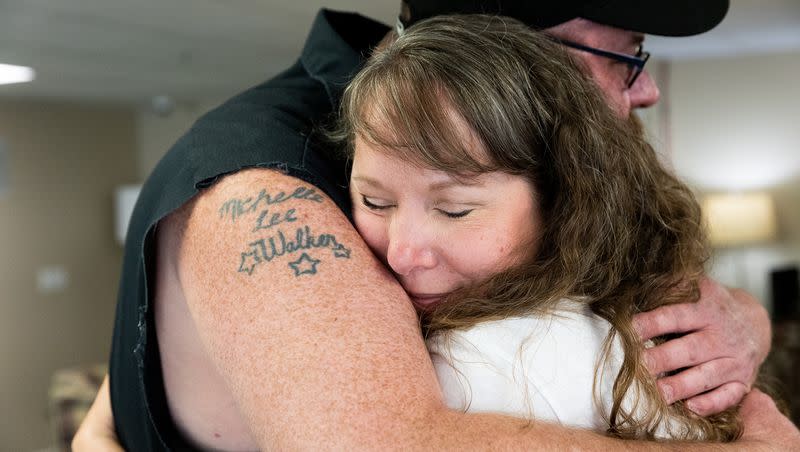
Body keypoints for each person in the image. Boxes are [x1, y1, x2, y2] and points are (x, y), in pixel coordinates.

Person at [74, 1, 793, 451]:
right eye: (624, 53)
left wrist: (742, 320)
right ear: (511, 59)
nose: (647, 86)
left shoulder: (478, 140)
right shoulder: (267, 186)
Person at [338, 14, 740, 440]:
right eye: (375, 202)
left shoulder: (475, 365)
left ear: (559, 201)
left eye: (455, 210)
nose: (400, 253)